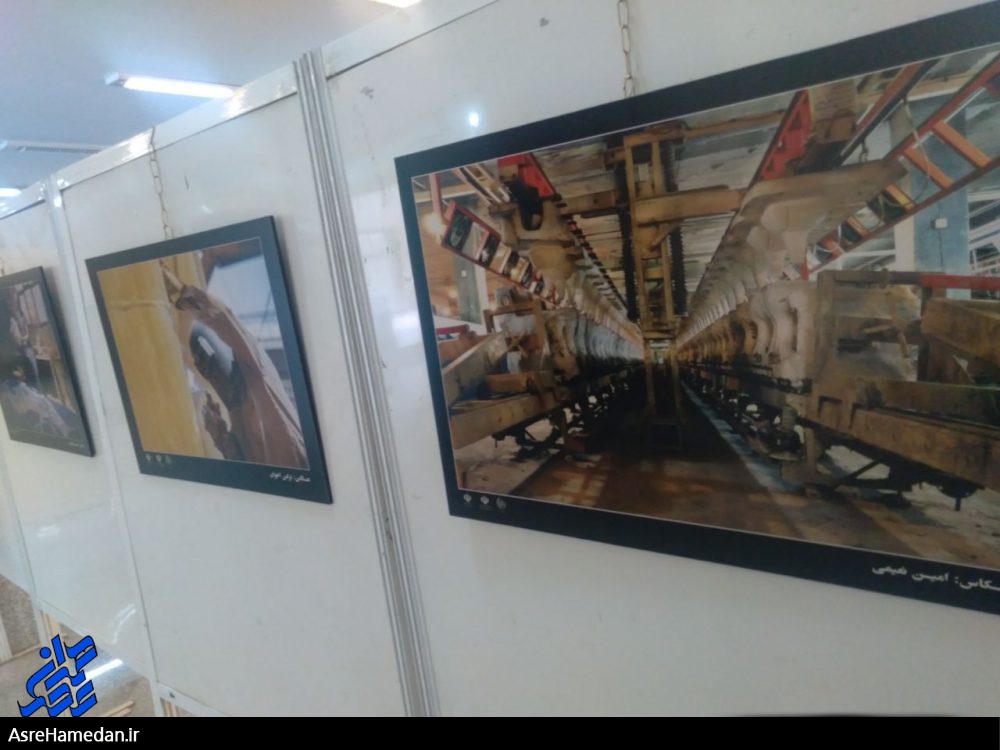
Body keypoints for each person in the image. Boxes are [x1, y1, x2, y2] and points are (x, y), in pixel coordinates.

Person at [162, 264, 308, 469]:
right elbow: (231, 327)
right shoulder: (255, 388)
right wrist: (182, 294)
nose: (210, 373)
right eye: (206, 368)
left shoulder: (255, 395)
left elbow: (241, 462)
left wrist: (219, 434)